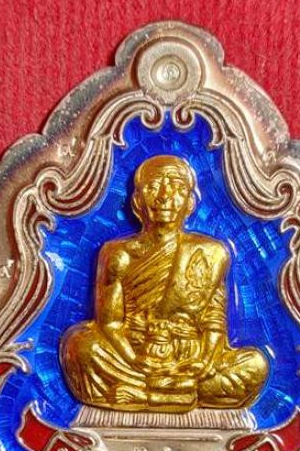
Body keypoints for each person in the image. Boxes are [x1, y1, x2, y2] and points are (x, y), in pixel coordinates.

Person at [61, 155, 268, 412]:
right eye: (153, 186)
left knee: (255, 364)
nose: (164, 196)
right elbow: (110, 324)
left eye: (177, 187)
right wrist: (135, 359)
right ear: (137, 202)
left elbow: (214, 322)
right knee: (80, 346)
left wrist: (204, 361)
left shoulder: (211, 252)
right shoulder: (117, 253)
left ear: (190, 203)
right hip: (132, 354)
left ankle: (144, 395)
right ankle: (175, 394)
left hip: (188, 359)